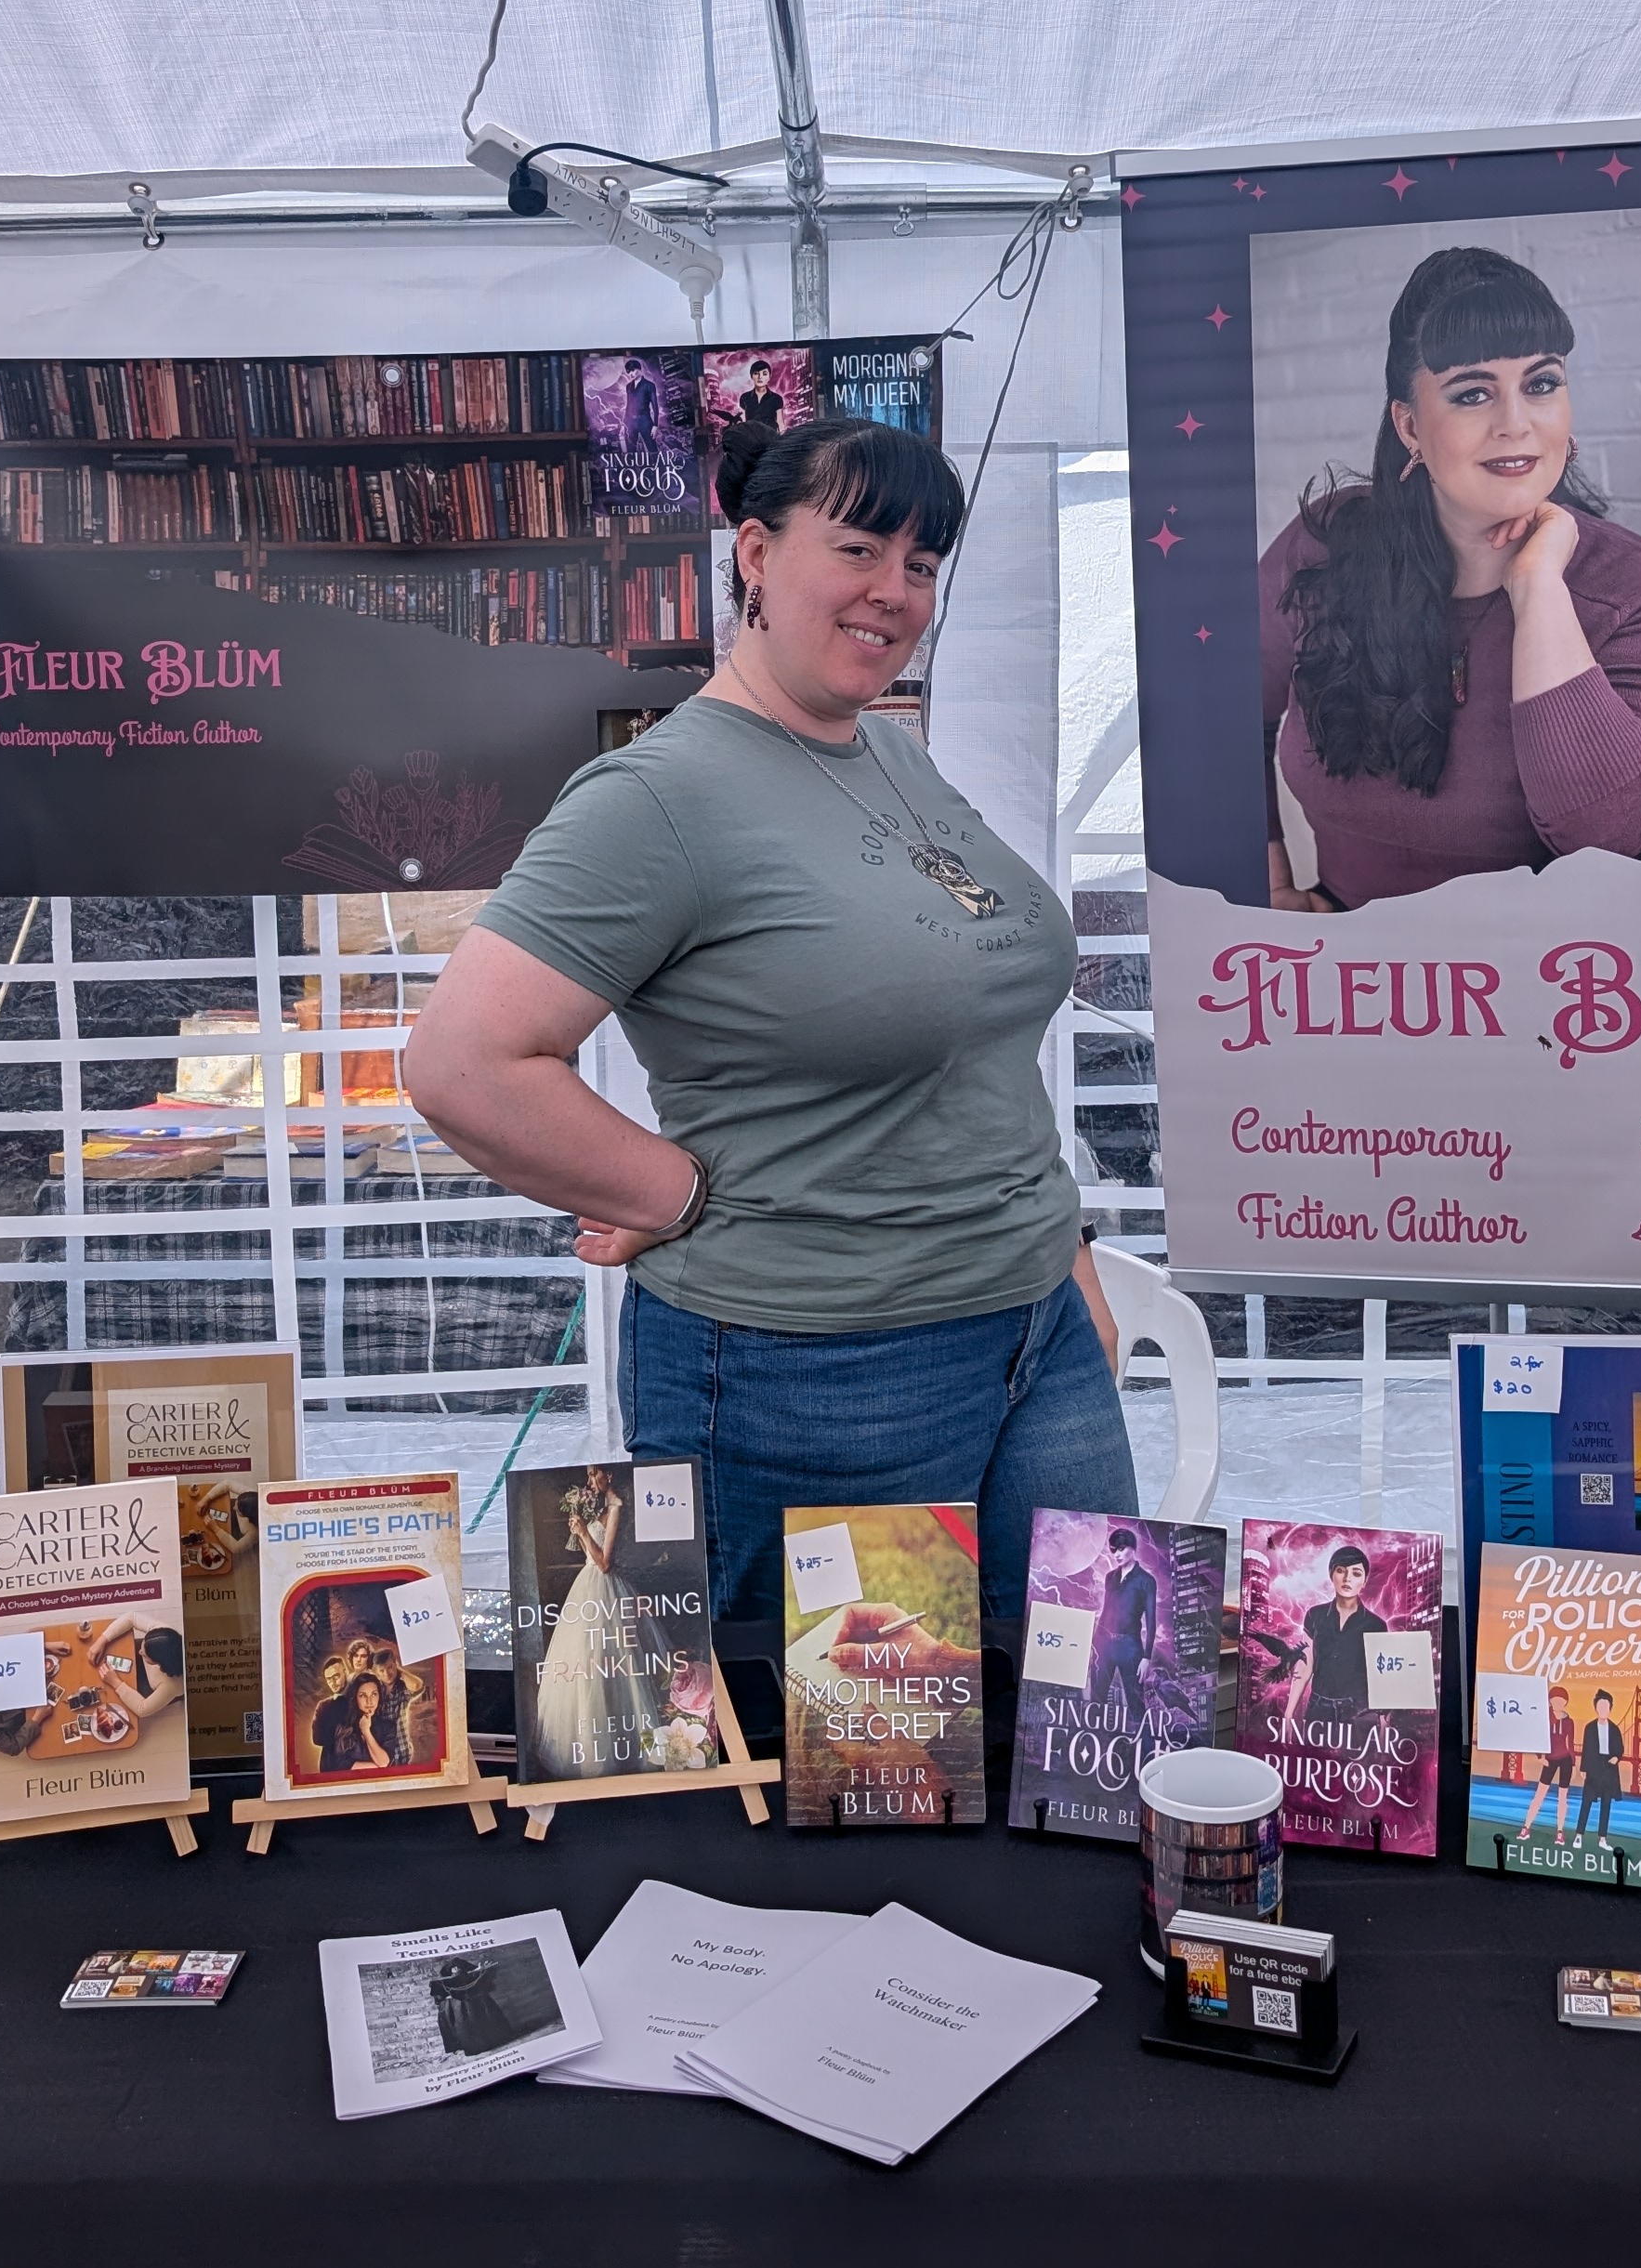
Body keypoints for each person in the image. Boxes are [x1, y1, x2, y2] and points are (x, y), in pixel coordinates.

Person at [402, 412, 1129, 1632]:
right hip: (818, 1368)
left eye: (921, 564)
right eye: (858, 548)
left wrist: (1064, 1251)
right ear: (754, 551)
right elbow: (462, 1063)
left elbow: (972, 1042)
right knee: (840, 1741)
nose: (894, 591)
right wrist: (674, 1192)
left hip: (1035, 1336)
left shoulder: (889, 756)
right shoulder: (658, 797)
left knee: (1087, 1713)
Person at [1259, 243, 1641, 907]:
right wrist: (1265, 878)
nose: (1516, 424)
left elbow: (1606, 842)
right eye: (1473, 394)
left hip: (1588, 956)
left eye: (1542, 384)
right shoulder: (1322, 548)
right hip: (1364, 953)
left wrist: (1539, 590)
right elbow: (1219, 708)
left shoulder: (1639, 590)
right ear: (1410, 426)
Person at [532, 1463, 674, 1776]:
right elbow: (591, 1556)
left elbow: (605, 1564)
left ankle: (633, 1747)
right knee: (587, 1662)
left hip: (606, 1588)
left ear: (609, 1475)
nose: (590, 1480)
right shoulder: (601, 1508)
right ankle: (593, 1745)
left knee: (616, 1660)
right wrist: (580, 1534)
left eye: (594, 1473)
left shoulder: (616, 1507)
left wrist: (584, 1532)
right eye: (587, 1474)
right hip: (587, 1586)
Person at [1281, 1540, 1383, 1719]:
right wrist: (1288, 1714)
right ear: (1331, 1574)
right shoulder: (1314, 1615)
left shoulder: (1376, 1625)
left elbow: (1379, 1676)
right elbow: (1305, 1665)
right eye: (1341, 1570)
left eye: (1356, 1573)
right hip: (1318, 1708)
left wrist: (1382, 1722)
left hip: (1358, 1711)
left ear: (1365, 1581)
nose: (1347, 1578)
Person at [1086, 1527, 1157, 1717]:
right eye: (1113, 1550)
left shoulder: (1146, 1581)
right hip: (1104, 1643)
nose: (1117, 1554)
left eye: (1121, 1549)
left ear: (1133, 1548)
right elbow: (1106, 1610)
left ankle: (1141, 1736)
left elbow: (1151, 1620)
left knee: (1136, 1704)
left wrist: (1147, 1657)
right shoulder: (1110, 1577)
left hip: (1130, 1646)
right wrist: (1095, 1643)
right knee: (1096, 1701)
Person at [1521, 1683, 1580, 1841]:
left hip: (1565, 1760)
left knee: (1563, 1797)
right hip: (1549, 1760)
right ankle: (1526, 1827)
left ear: (1565, 1702)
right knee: (1539, 1794)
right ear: (1550, 1701)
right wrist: (1540, 1757)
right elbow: (1536, 1737)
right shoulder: (1544, 1717)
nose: (1558, 1703)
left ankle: (1560, 1832)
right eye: (1555, 1700)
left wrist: (1573, 1764)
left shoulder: (1569, 1721)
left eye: (1561, 1700)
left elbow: (1570, 1743)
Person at [1576, 1688, 1625, 1839]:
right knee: (1586, 1801)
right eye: (1600, 1706)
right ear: (1596, 1708)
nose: (1603, 1709)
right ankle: (1579, 1835)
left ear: (1610, 1708)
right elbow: (1586, 1749)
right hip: (1593, 1766)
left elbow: (1620, 1749)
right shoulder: (1590, 1727)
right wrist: (1583, 1768)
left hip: (1609, 1768)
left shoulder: (1615, 1729)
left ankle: (1602, 1838)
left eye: (1606, 1706)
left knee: (1606, 1804)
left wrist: (1616, 1758)